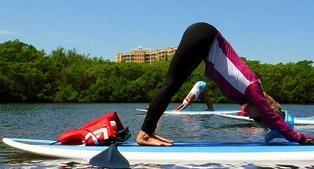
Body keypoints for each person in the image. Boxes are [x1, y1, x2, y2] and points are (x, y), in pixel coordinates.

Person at [136, 22, 314, 146]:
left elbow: (271, 118)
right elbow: (273, 118)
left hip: (204, 42)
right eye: (259, 118)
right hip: (205, 36)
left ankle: (148, 132)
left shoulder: (246, 96)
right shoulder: (253, 90)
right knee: (172, 84)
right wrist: (299, 138)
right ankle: (144, 133)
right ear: (266, 107)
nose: (253, 118)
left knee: (173, 83)